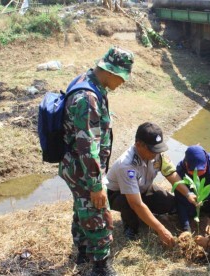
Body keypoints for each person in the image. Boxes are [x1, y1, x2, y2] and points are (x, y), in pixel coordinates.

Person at [59, 46, 133, 276]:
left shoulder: (86, 81)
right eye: (121, 77)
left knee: (82, 207)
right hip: (83, 167)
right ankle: (100, 267)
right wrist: (96, 184)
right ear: (110, 72)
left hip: (74, 164)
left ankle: (82, 252)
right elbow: (87, 146)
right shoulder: (88, 98)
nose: (122, 83)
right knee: (98, 212)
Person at [106, 122, 197, 247]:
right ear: (138, 144)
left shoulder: (156, 153)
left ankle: (146, 214)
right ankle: (130, 225)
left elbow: (170, 173)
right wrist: (161, 229)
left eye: (158, 149)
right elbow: (136, 203)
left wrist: (188, 194)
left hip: (143, 188)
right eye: (152, 150)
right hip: (119, 194)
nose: (156, 154)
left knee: (169, 203)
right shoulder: (126, 165)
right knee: (129, 204)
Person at [175, 145, 210, 234]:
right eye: (194, 172)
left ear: (206, 161)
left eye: (201, 170)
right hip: (192, 202)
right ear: (186, 164)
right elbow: (180, 199)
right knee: (184, 207)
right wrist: (186, 229)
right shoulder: (180, 169)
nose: (197, 176)